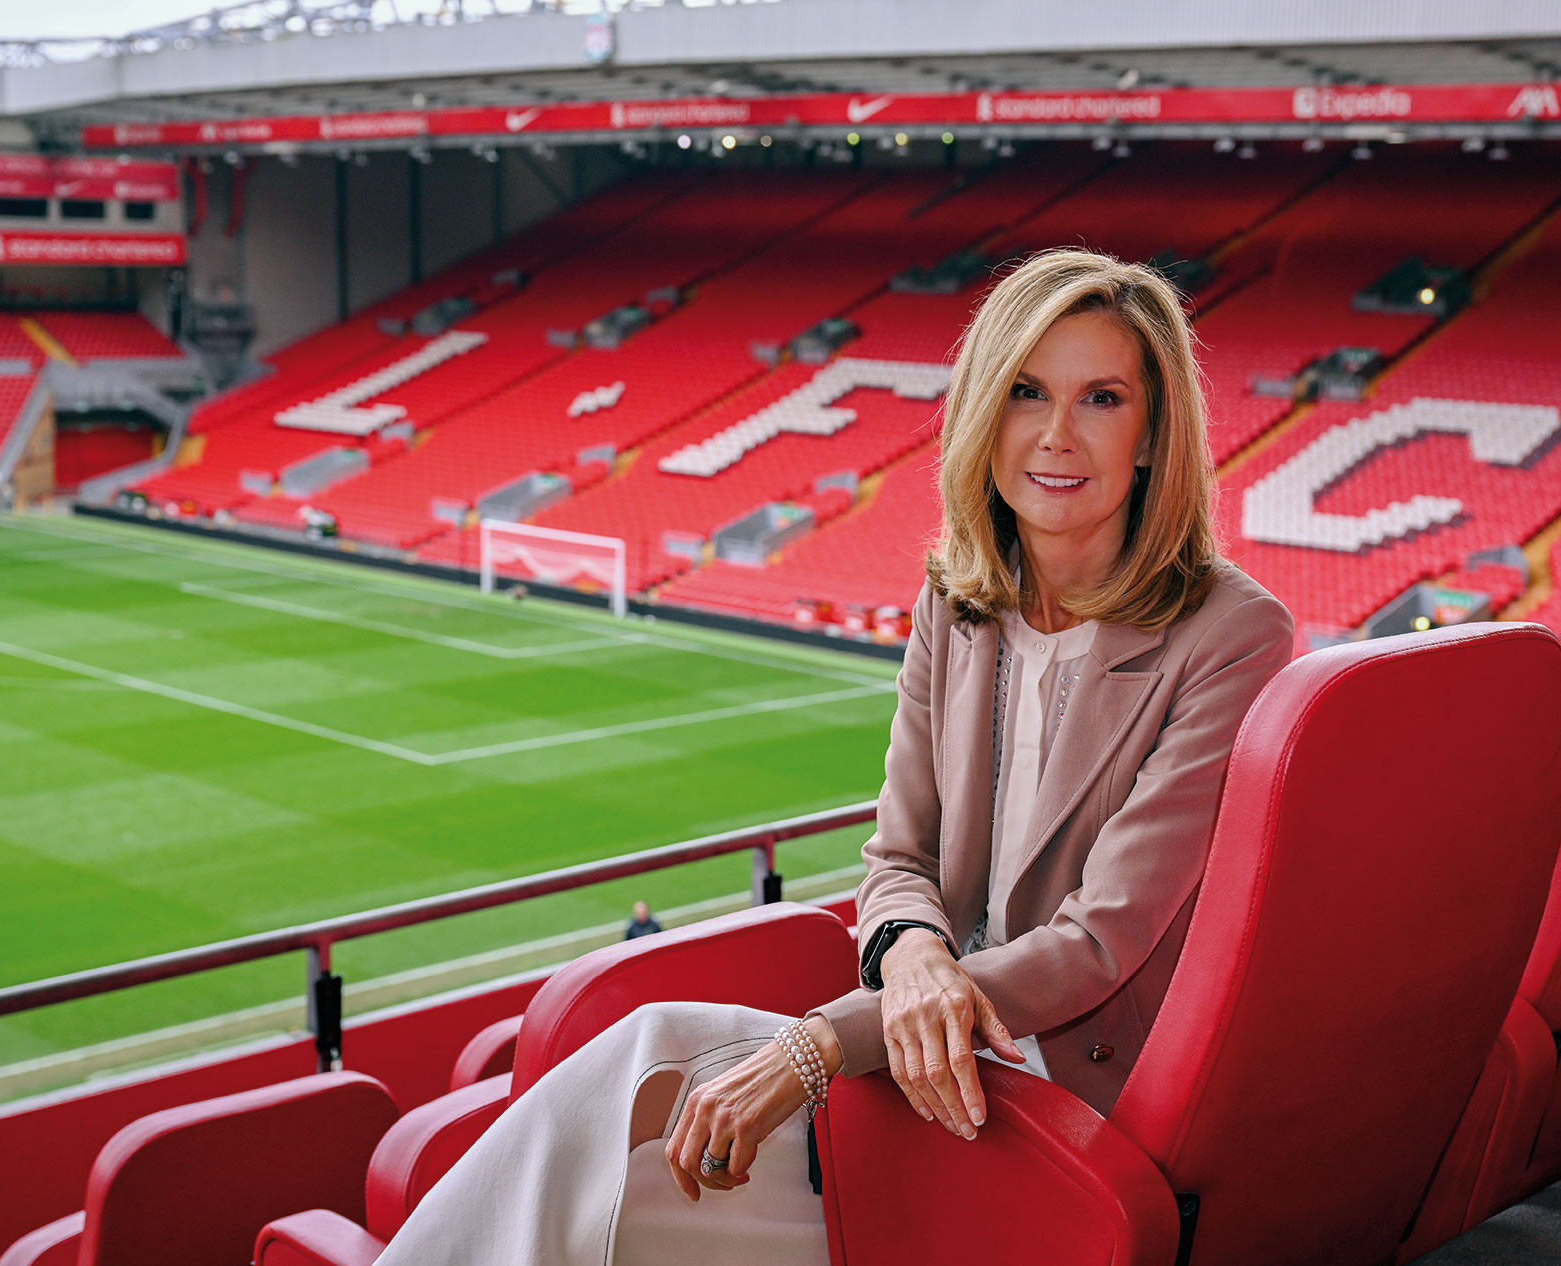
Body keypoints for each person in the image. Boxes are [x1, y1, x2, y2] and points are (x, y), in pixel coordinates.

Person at [373, 249, 1296, 1264]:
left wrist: (817, 1045)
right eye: (1027, 390)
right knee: (639, 1104)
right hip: (919, 1044)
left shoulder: (1231, 634)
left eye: (1102, 398)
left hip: (1056, 1091)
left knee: (650, 1102)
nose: (1055, 433)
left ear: (1153, 435)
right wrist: (912, 966)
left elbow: (1098, 944)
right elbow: (897, 862)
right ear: (985, 409)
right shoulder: (957, 600)